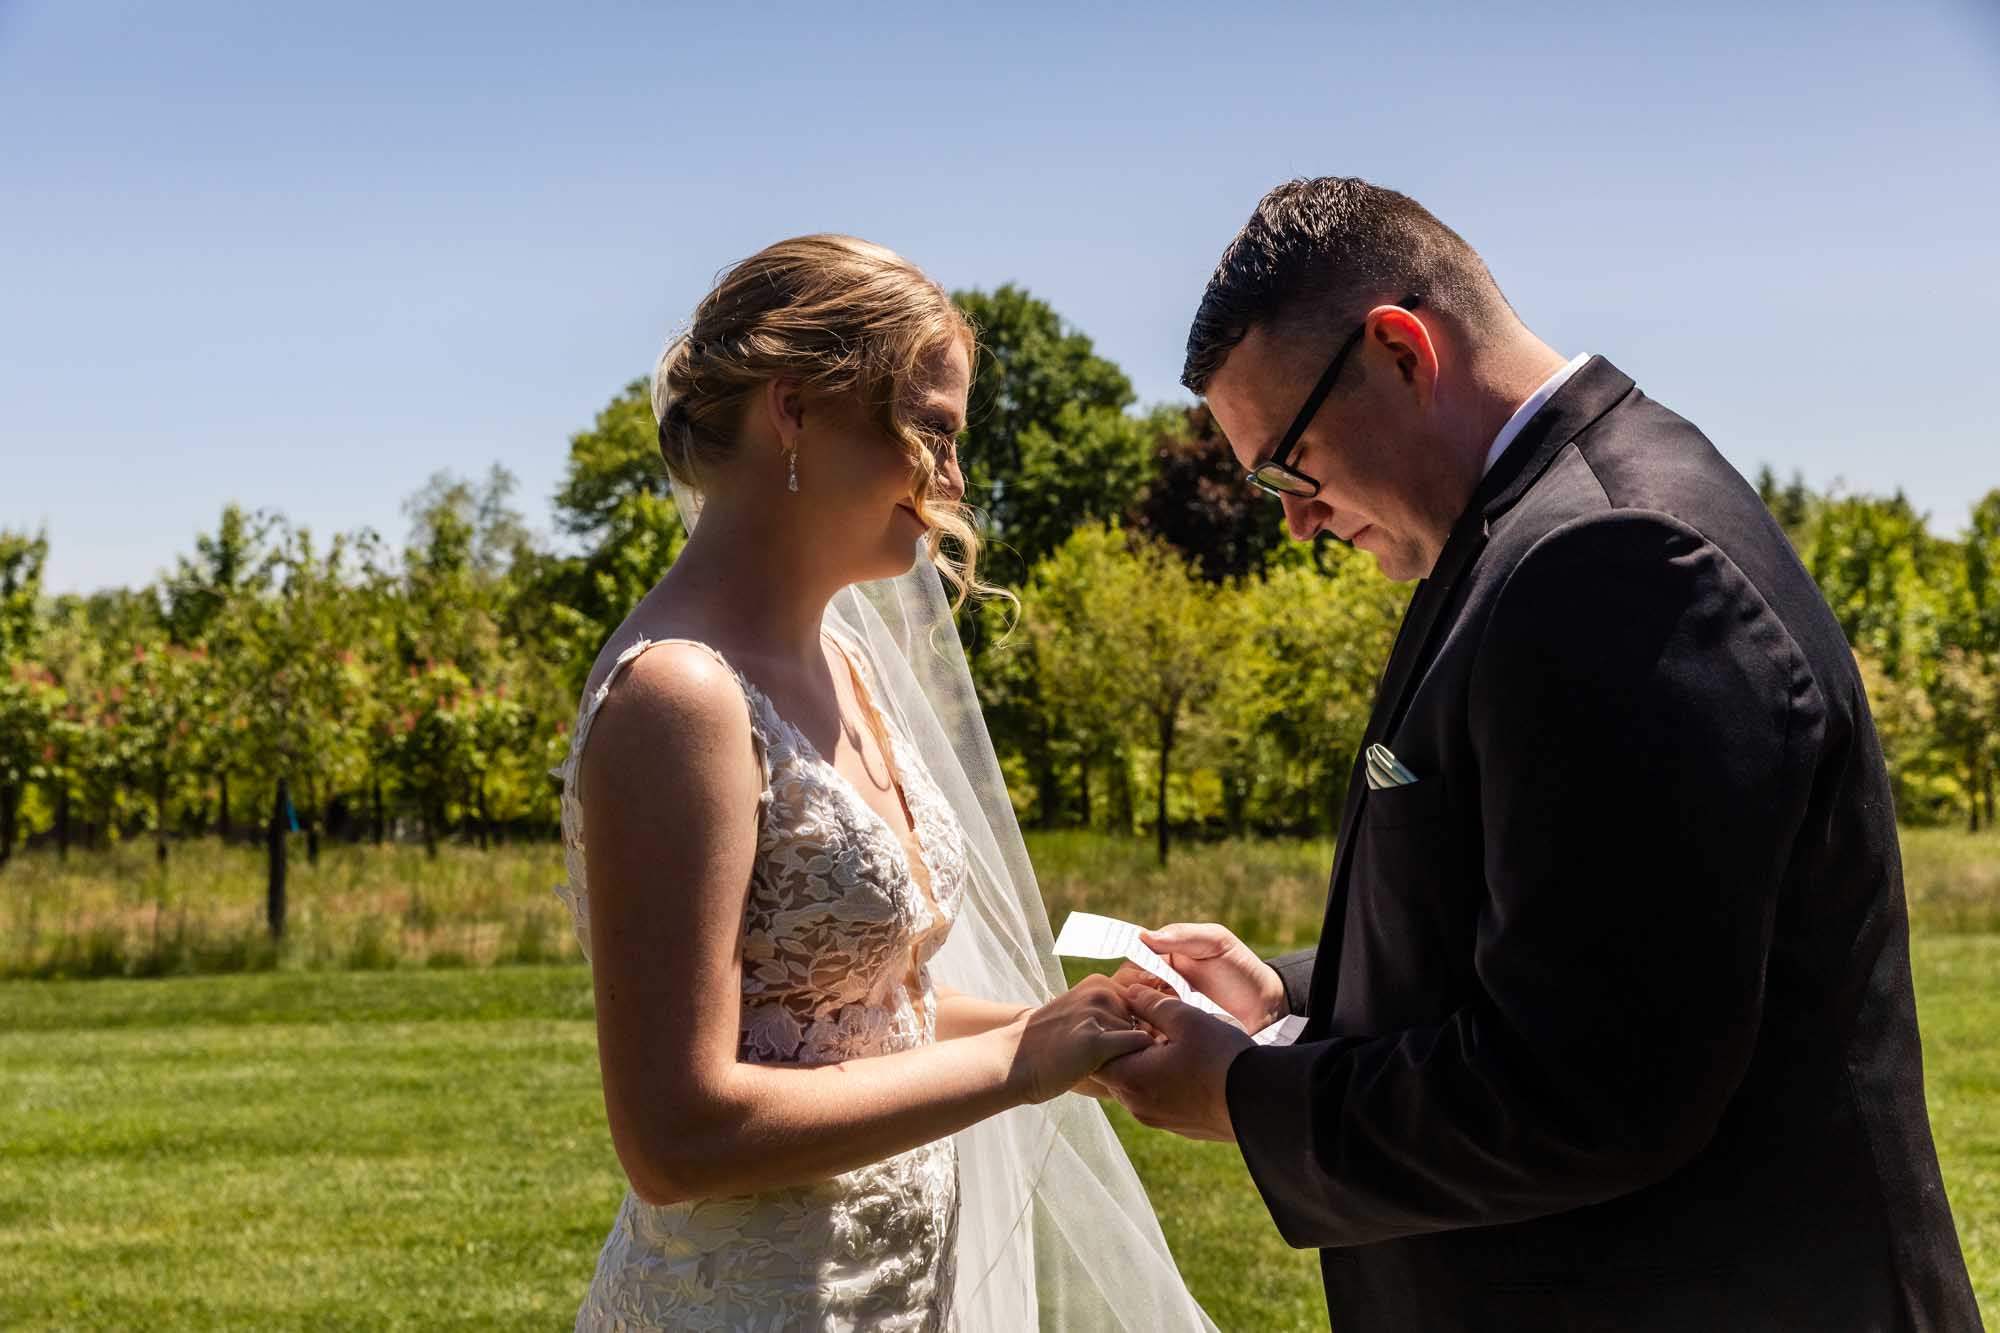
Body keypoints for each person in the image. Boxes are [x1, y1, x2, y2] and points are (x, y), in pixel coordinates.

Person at [1097, 177, 1980, 1331]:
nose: (1294, 519)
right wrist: (1285, 995)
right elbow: (1557, 931)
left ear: (1401, 351)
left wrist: (1241, 1093)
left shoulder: (1612, 559)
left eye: (1288, 462)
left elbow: (1588, 1085)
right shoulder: (1527, 532)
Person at [551, 234, 1215, 1331]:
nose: (952, 482)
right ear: (794, 411)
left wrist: (1075, 1027)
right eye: (932, 432)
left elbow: (861, 1016)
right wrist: (1016, 1059)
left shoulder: (846, 665)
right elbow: (676, 1136)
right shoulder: (679, 698)